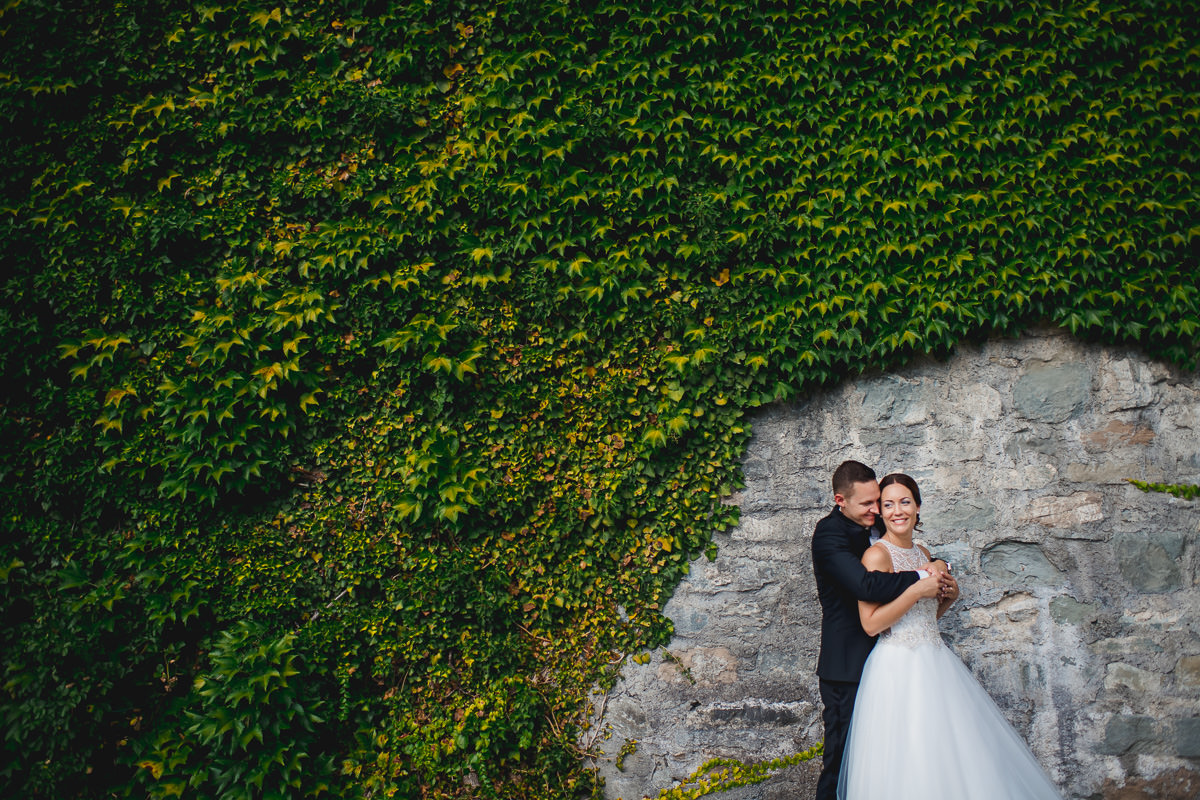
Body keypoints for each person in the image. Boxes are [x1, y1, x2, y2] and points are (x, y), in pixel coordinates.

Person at [838, 473, 1064, 800]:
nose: (897, 511)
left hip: (935, 661)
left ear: (917, 507)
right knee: (909, 758)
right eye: (888, 504)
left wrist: (948, 598)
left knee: (950, 754)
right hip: (897, 669)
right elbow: (872, 625)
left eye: (904, 502)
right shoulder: (877, 556)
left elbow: (923, 620)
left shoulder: (923, 552)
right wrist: (917, 590)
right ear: (881, 512)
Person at [811, 460, 953, 800]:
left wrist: (938, 567)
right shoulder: (830, 534)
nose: (877, 510)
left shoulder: (873, 527)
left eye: (880, 501)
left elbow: (905, 553)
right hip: (848, 666)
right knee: (841, 762)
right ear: (840, 501)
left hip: (892, 663)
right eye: (869, 504)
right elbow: (867, 585)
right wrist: (924, 577)